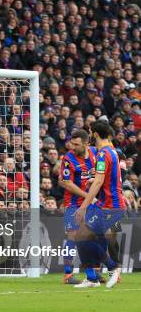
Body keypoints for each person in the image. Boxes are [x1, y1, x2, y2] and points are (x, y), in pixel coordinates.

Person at [73, 121, 126, 288]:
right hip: (106, 204)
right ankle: (92, 278)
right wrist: (94, 179)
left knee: (84, 236)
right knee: (81, 237)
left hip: (111, 206)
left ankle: (112, 267)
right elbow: (105, 178)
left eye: (90, 132)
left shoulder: (103, 154)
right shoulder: (112, 151)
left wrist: (83, 206)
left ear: (94, 134)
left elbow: (99, 182)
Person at [58, 130, 96, 285]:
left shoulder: (94, 153)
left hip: (90, 202)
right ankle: (68, 274)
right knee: (74, 236)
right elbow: (66, 182)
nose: (72, 147)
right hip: (73, 203)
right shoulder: (68, 159)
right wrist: (88, 197)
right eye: (71, 143)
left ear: (87, 144)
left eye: (76, 144)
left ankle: (95, 273)